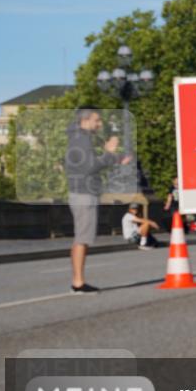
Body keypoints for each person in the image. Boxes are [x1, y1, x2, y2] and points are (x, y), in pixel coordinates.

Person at [65, 107, 131, 294]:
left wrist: (116, 158)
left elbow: (91, 163)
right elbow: (89, 167)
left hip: (83, 192)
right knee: (82, 238)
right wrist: (110, 152)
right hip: (84, 193)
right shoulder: (82, 139)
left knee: (82, 237)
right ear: (85, 120)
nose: (100, 124)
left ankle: (78, 281)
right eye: (97, 120)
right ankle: (78, 282)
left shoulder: (78, 138)